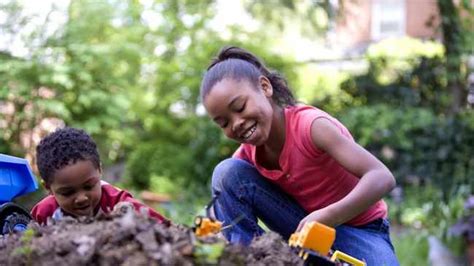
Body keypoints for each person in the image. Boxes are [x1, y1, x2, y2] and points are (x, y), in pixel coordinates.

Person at [200, 46, 399, 265]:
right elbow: (223, 200)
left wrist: (327, 217)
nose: (236, 123)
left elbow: (382, 177)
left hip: (361, 232)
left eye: (239, 107)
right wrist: (208, 232)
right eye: (224, 123)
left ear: (265, 87)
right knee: (226, 173)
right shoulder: (248, 154)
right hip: (303, 230)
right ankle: (247, 258)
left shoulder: (311, 127)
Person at [31, 127, 168, 226]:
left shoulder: (120, 205)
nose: (81, 198)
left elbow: (167, 228)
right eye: (68, 192)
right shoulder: (44, 213)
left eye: (89, 186)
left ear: (99, 170)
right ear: (49, 188)